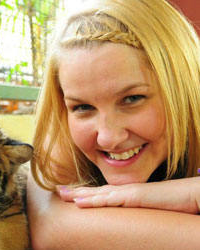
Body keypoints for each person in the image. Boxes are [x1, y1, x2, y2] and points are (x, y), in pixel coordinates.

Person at [27, 0, 200, 249]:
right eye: (83, 107)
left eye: (132, 99)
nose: (108, 138)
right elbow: (50, 226)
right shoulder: (62, 136)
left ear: (184, 89)